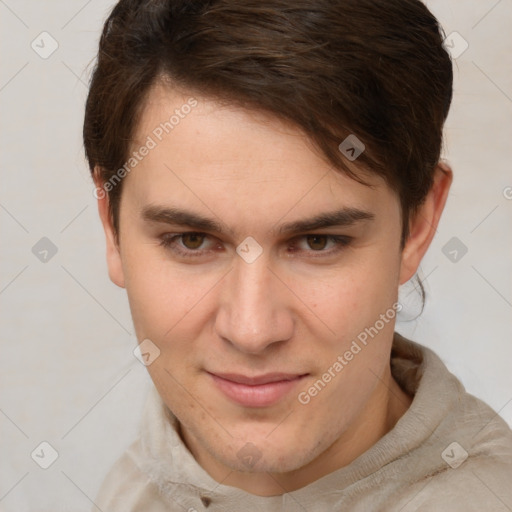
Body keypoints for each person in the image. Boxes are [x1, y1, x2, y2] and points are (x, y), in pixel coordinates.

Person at [83, 0, 512, 510]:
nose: (252, 330)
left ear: (417, 225)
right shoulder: (136, 483)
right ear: (112, 227)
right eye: (192, 240)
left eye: (318, 242)